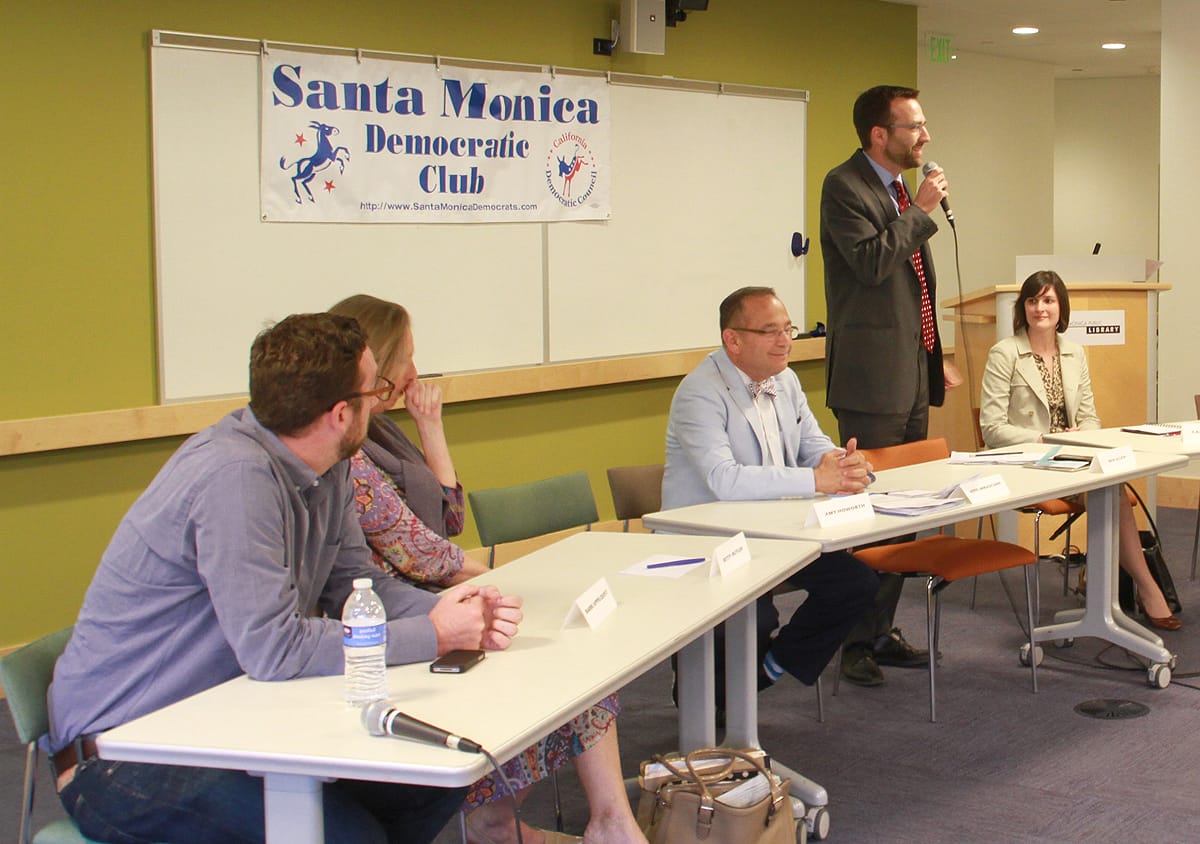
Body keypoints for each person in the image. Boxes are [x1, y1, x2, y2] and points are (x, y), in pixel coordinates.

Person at [47, 313, 524, 844]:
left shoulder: (329, 463)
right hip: (123, 754)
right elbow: (273, 649)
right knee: (349, 836)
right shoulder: (235, 477)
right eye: (376, 390)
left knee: (427, 783)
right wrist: (434, 635)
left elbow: (355, 587)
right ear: (342, 414)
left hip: (226, 724)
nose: (383, 399)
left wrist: (456, 608)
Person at [329, 294, 647, 844]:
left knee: (581, 669)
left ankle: (607, 822)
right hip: (401, 616)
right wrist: (504, 582)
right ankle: (503, 822)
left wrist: (431, 428)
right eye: (406, 357)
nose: (416, 372)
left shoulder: (382, 429)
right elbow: (416, 550)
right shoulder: (350, 450)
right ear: (377, 369)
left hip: (444, 594)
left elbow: (447, 519)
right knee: (556, 666)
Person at [662, 286, 880, 707]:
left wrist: (843, 462)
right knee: (754, 618)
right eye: (770, 332)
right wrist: (816, 481)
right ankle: (704, 694)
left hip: (774, 531)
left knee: (855, 584)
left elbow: (812, 443)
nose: (784, 342)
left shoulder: (785, 379)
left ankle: (770, 668)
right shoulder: (700, 392)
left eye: (788, 330)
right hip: (709, 538)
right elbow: (723, 480)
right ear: (733, 340)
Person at [819, 84, 964, 686]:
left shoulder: (898, 189)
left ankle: (881, 630)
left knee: (906, 515)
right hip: (869, 382)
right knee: (867, 515)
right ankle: (853, 642)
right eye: (914, 127)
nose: (925, 137)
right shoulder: (844, 187)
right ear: (880, 135)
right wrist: (922, 210)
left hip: (907, 377)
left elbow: (915, 294)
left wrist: (933, 357)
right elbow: (873, 265)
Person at [979, 270, 1180, 630]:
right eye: (1032, 300)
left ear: (1061, 308)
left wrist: (1078, 436)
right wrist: (1044, 440)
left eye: (1048, 300)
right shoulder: (1004, 352)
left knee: (1112, 488)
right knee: (1111, 493)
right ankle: (1147, 590)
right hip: (1028, 461)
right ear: (1023, 307)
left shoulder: (1074, 352)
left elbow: (1090, 418)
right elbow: (992, 429)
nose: (1040, 308)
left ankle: (1105, 585)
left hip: (1072, 456)